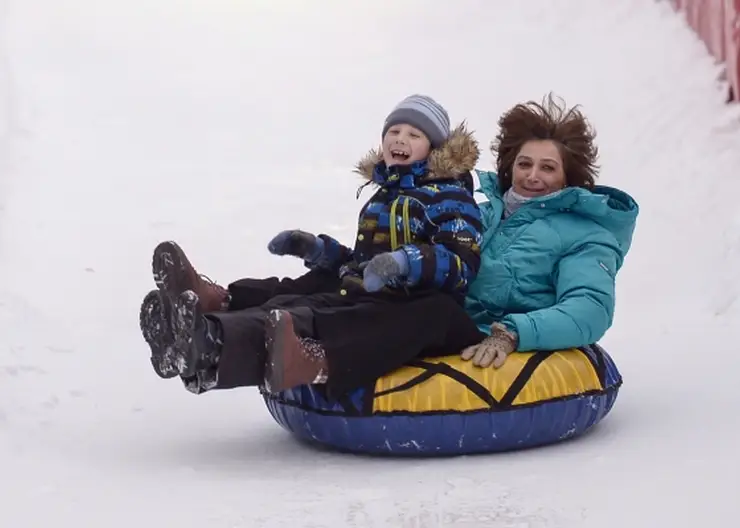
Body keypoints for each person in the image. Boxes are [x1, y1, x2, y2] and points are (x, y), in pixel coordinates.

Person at [139, 94, 486, 397]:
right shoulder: (382, 198)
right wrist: (319, 251)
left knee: (382, 314)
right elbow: (361, 263)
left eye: (414, 134)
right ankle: (208, 327)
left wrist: (407, 262)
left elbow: (461, 265)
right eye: (393, 131)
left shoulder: (450, 196)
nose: (400, 139)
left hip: (426, 309)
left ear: (434, 147)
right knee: (301, 298)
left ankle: (302, 358)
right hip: (376, 295)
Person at [459, 93, 639, 369]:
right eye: (524, 164)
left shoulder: (586, 235)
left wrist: (512, 333)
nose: (532, 176)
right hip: (450, 331)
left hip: (516, 352)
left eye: (547, 168)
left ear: (568, 176)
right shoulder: (476, 216)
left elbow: (589, 308)